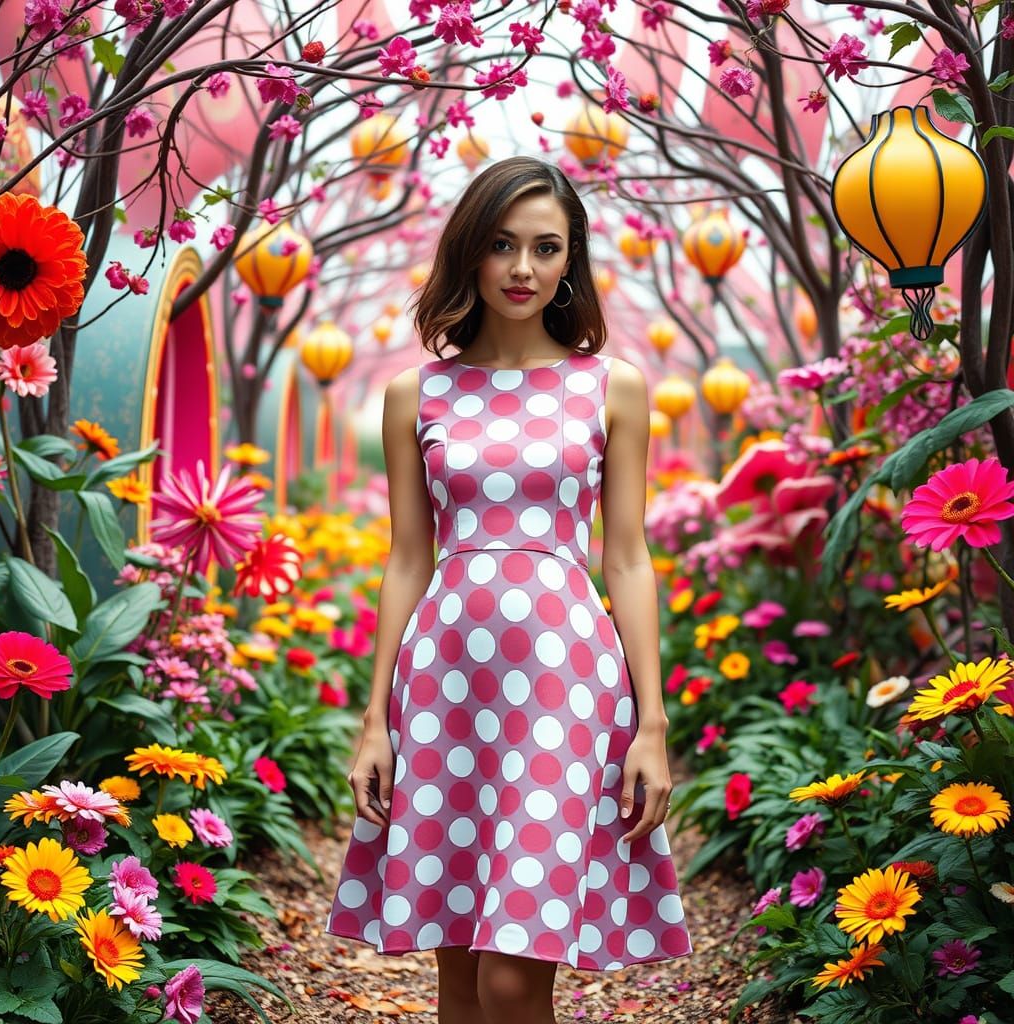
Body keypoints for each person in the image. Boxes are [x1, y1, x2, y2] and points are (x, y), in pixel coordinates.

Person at [325, 155, 693, 1023]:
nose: (523, 269)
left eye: (546, 248)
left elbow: (628, 558)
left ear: (572, 261)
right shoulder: (416, 394)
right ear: (470, 253)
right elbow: (408, 557)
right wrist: (375, 720)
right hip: (445, 685)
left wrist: (652, 723)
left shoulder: (613, 387)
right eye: (501, 245)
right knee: (457, 969)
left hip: (566, 688)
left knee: (512, 976)